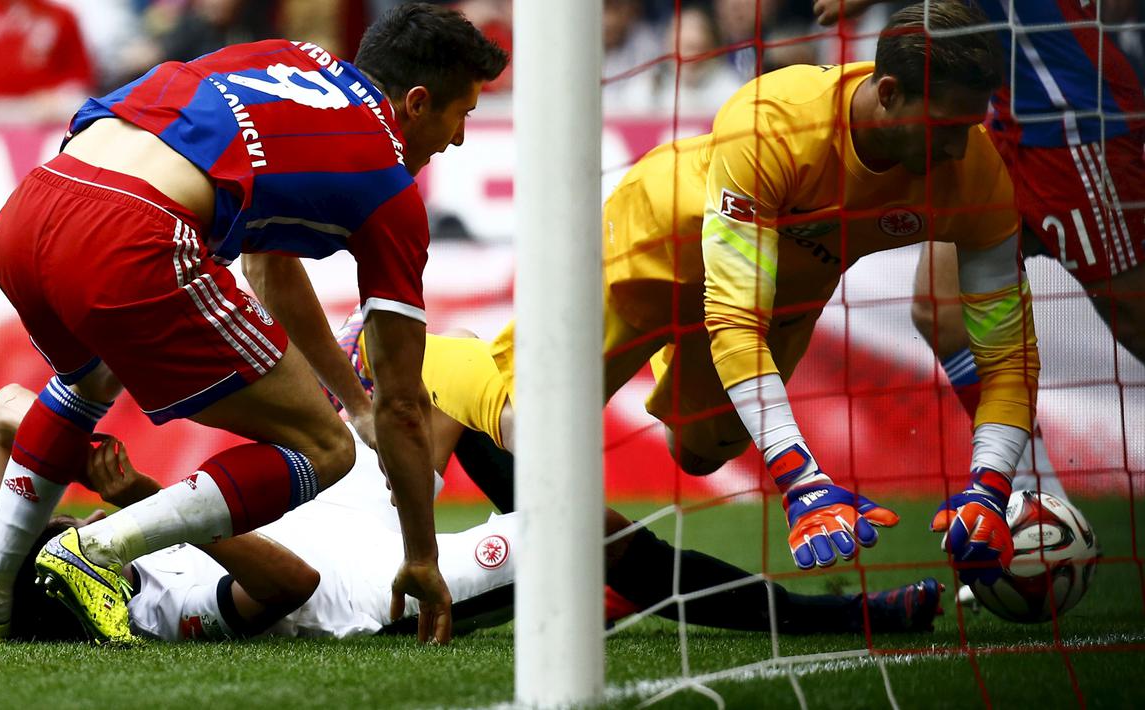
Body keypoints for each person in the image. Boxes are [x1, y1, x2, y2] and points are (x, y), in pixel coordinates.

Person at [350, 1, 1038, 587]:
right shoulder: (778, 120)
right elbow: (731, 321)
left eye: (968, 126)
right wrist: (801, 481)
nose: (957, 148)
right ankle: (421, 356)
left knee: (700, 452)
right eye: (944, 128)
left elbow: (1007, 355)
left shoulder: (974, 173)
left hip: (782, 286)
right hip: (657, 247)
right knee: (542, 432)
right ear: (887, 93)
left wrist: (990, 484)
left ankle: (649, 368)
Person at [0, 3, 508, 646]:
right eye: (462, 113)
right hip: (133, 230)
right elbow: (406, 404)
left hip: (34, 204)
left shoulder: (288, 58)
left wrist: (355, 403)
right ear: (415, 102)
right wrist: (420, 554)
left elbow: (270, 270)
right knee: (324, 450)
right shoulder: (389, 184)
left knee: (83, 387)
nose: (460, 137)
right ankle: (94, 549)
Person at [0, 382, 941, 642]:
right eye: (54, 542)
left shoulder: (62, 555)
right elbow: (288, 584)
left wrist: (60, 499)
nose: (57, 531)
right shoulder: (145, 613)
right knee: (585, 529)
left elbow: (6, 411)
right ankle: (844, 616)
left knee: (430, 396)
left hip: (335, 509)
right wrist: (146, 501)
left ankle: (578, 567)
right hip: (368, 586)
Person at [815, 0, 1145, 498]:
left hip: (1076, 119)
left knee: (1137, 322)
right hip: (1013, 121)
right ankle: (1035, 505)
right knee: (940, 309)